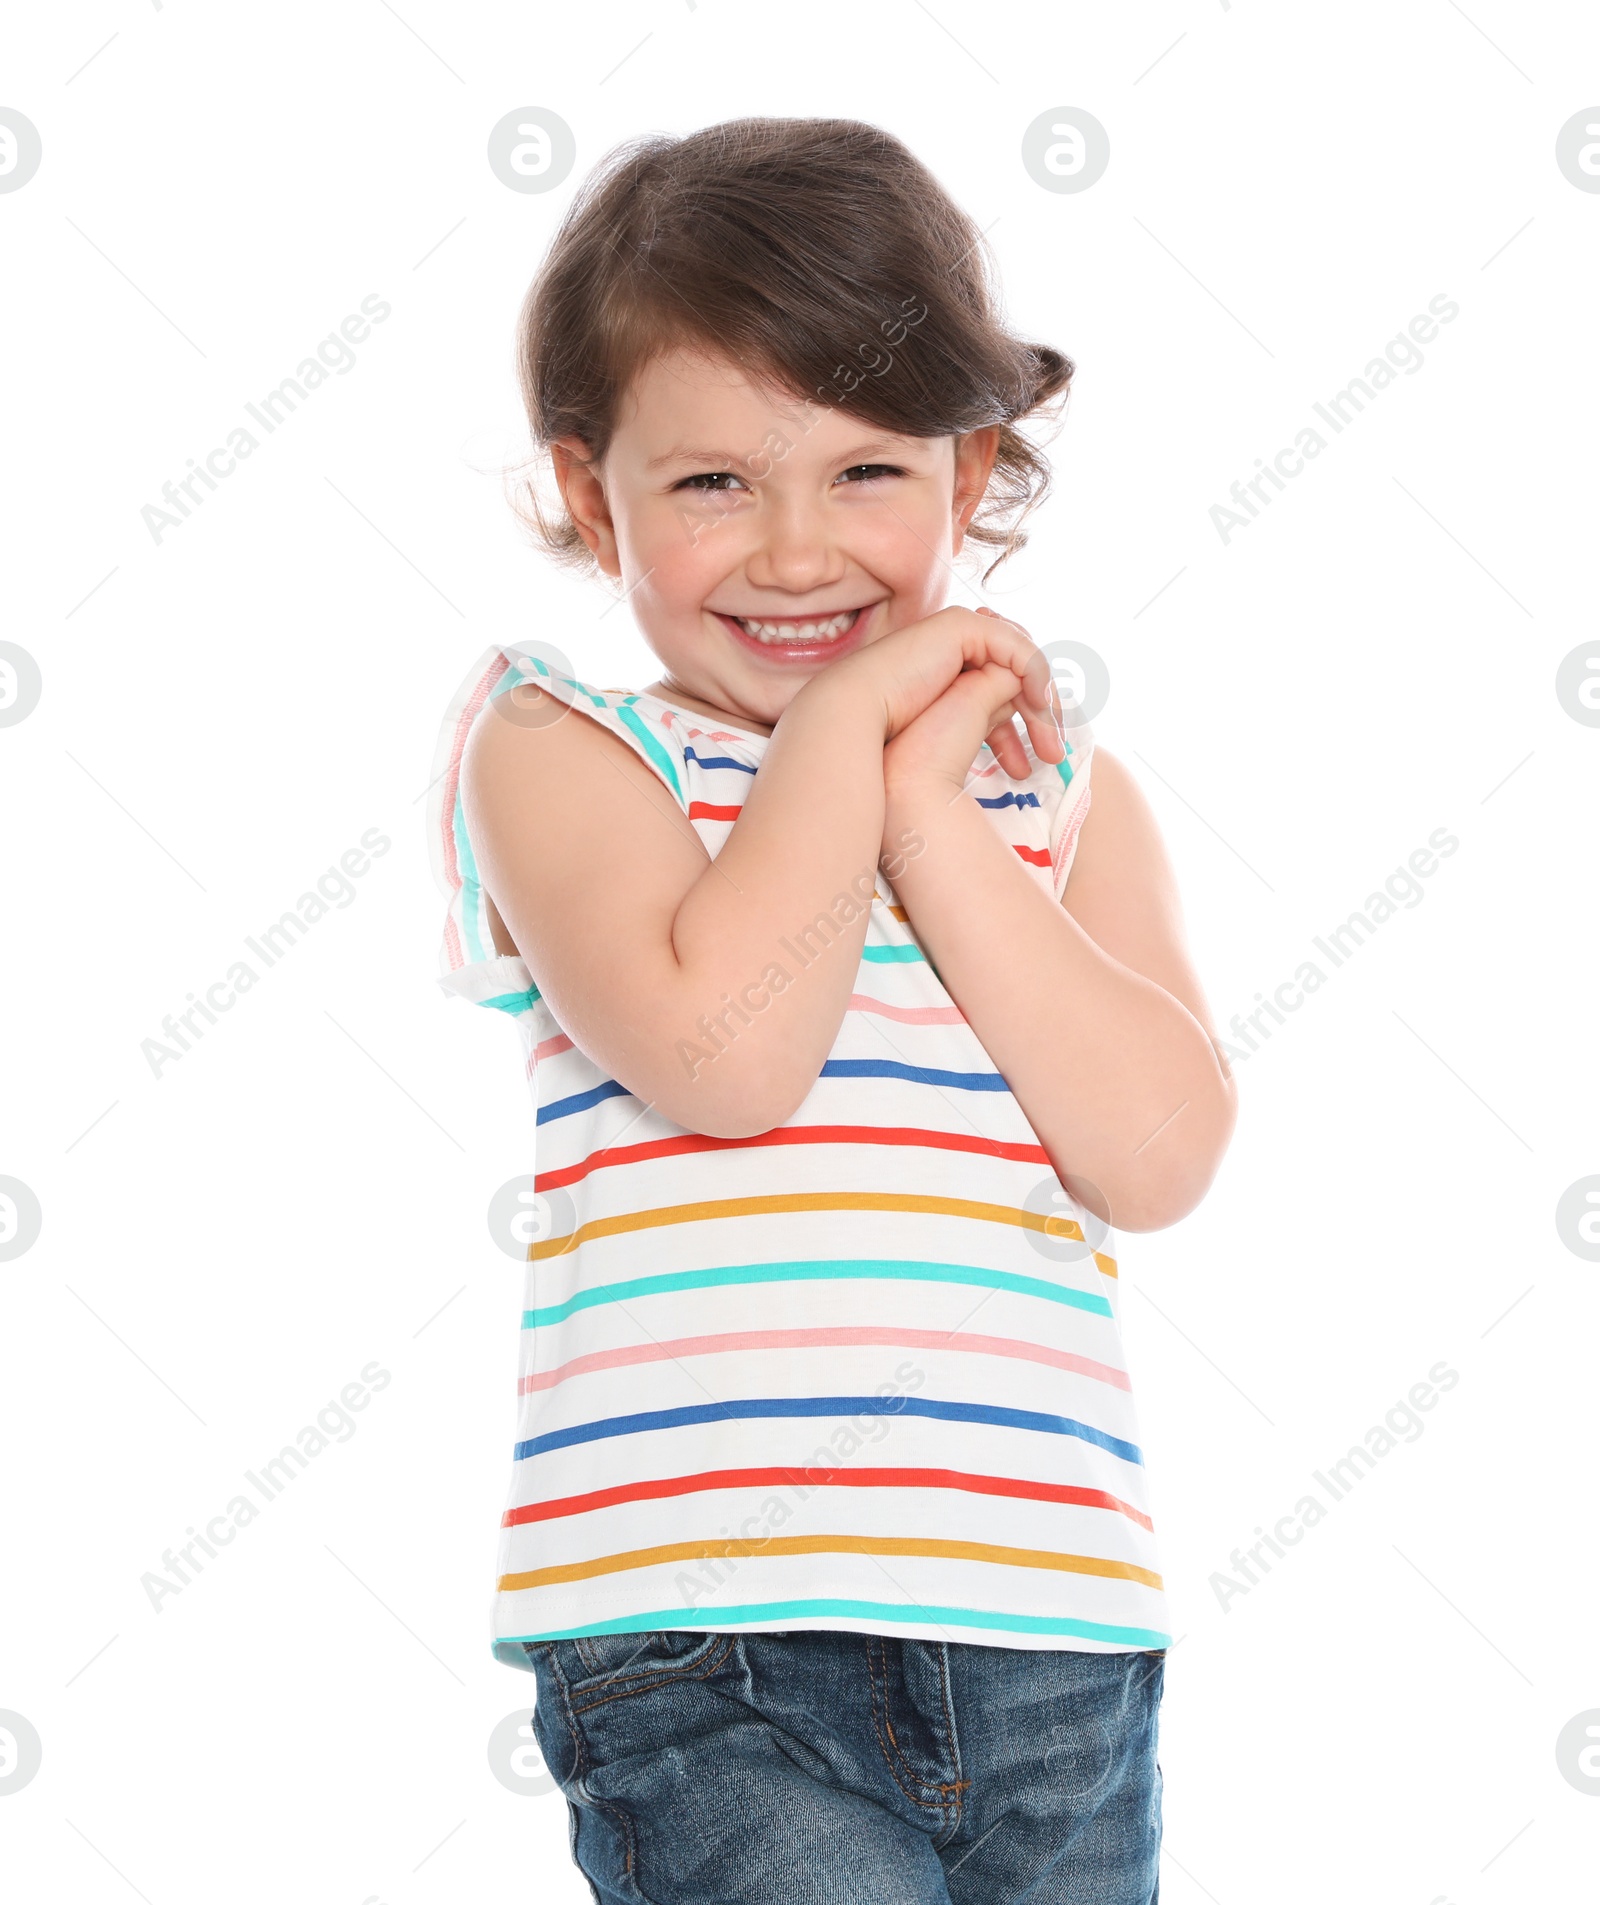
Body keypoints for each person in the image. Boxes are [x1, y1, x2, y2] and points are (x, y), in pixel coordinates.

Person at [428, 115, 1236, 1905]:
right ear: (589, 492)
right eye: (713, 483)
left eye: (866, 473)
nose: (796, 552)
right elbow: (728, 1053)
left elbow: (1160, 1152)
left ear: (971, 475)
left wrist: (932, 806)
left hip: (1050, 1632)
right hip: (710, 1639)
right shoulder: (565, 746)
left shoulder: (1049, 793)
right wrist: (850, 735)